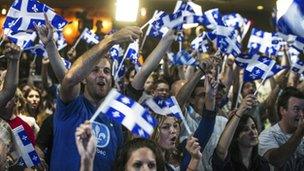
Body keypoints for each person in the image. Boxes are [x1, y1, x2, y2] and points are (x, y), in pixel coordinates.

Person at [35, 14, 175, 170]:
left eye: (107, 71)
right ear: (84, 78)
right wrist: (112, 39)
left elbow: (142, 74)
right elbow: (69, 79)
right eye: (95, 70)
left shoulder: (115, 113)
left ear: (111, 79)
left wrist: (168, 39)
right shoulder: (72, 106)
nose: (102, 74)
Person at [213, 94, 270, 171]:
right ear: (236, 137)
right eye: (245, 129)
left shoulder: (262, 164)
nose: (252, 132)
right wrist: (240, 111)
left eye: (253, 127)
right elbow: (221, 150)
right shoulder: (228, 163)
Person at [259, 87, 304, 170]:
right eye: (296, 109)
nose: (301, 114)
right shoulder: (268, 135)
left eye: (303, 110)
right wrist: (299, 133)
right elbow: (276, 161)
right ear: (282, 110)